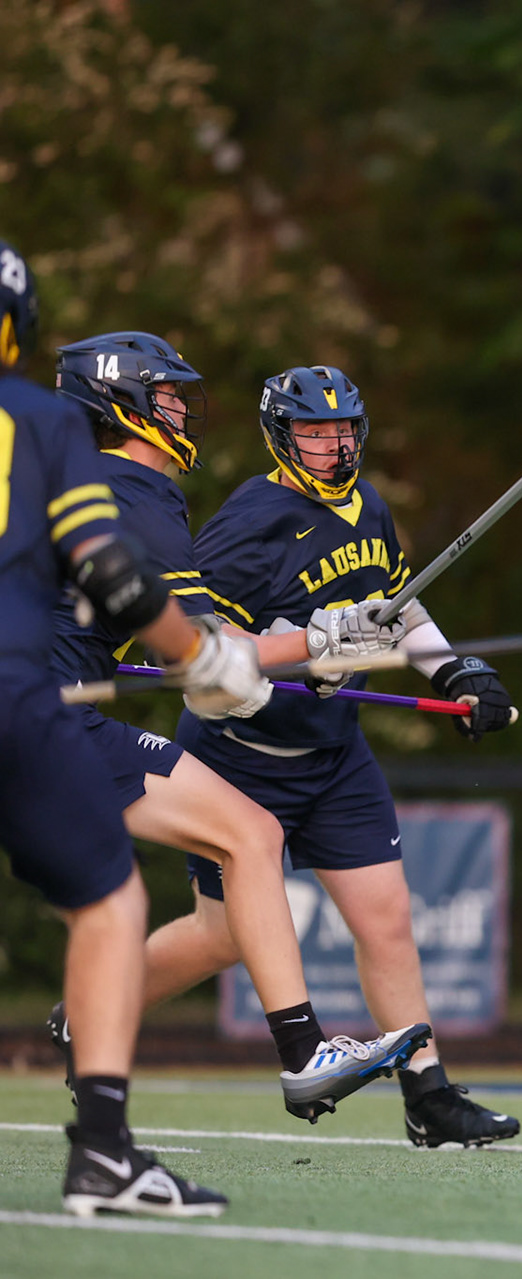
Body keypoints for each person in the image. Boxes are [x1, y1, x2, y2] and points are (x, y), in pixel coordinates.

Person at [46, 331, 431, 1122]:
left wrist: (290, 650)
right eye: (167, 396)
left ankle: (106, 1030)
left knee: (244, 846)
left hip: (53, 711)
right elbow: (201, 651)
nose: (182, 409)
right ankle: (303, 1054)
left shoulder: (66, 478)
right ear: (121, 403)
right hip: (46, 719)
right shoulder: (138, 491)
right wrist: (322, 638)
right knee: (251, 835)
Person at [146, 363, 522, 1148]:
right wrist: (299, 654)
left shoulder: (370, 506)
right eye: (315, 431)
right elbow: (200, 642)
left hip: (333, 754)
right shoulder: (252, 520)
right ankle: (96, 1003)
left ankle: (428, 1094)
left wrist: (457, 672)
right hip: (240, 757)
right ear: (281, 437)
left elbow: (398, 607)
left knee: (387, 919)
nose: (334, 444)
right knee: (221, 936)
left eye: (344, 429)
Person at [0, 238, 267, 1215]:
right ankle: (103, 1154)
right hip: (20, 699)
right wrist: (199, 655)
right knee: (109, 906)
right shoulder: (41, 424)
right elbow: (113, 575)